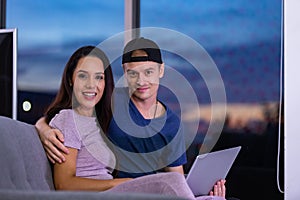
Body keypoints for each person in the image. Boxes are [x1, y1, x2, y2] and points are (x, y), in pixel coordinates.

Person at [35, 39, 226, 198]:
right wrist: (43, 129)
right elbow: (65, 115)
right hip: (120, 191)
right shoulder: (111, 100)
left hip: (148, 190)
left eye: (148, 72)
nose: (141, 81)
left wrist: (205, 192)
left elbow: (177, 178)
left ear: (161, 70)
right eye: (133, 73)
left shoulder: (172, 124)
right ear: (125, 74)